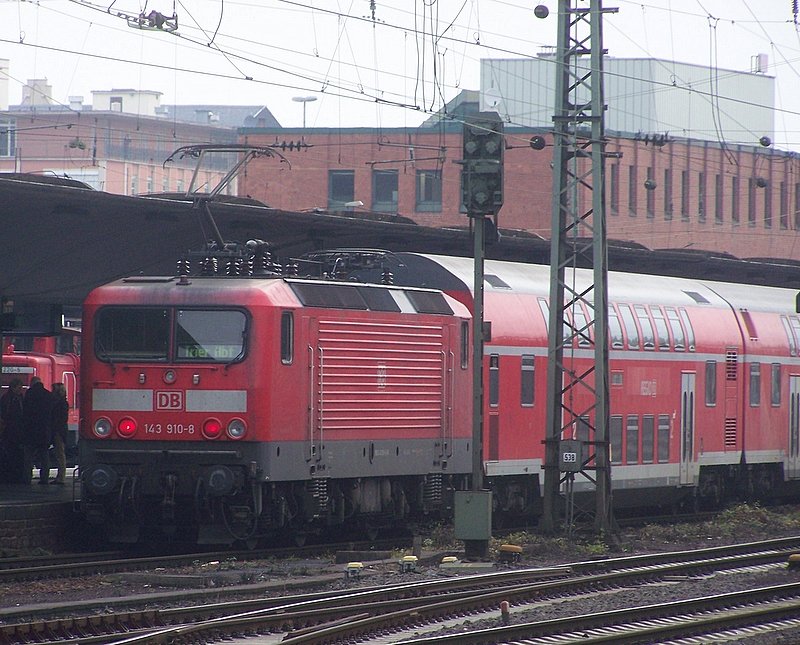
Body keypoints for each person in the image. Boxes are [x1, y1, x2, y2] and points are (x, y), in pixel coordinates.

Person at [23, 377, 53, 485]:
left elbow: (25, 413)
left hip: (30, 431)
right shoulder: (48, 395)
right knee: (44, 457)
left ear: (32, 383)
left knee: (28, 457)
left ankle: (27, 478)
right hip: (44, 431)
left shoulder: (29, 395)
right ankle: (44, 478)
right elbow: (51, 415)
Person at [0, 378, 26, 484]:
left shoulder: (14, 399)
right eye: (19, 387)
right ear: (13, 388)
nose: (21, 389)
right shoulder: (9, 399)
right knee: (11, 453)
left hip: (16, 431)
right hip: (10, 431)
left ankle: (16, 475)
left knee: (16, 453)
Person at [50, 383, 68, 485]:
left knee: (60, 454)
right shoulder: (63, 403)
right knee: (59, 453)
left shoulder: (59, 403)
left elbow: (58, 419)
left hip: (58, 431)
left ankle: (61, 477)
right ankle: (60, 476)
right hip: (60, 430)